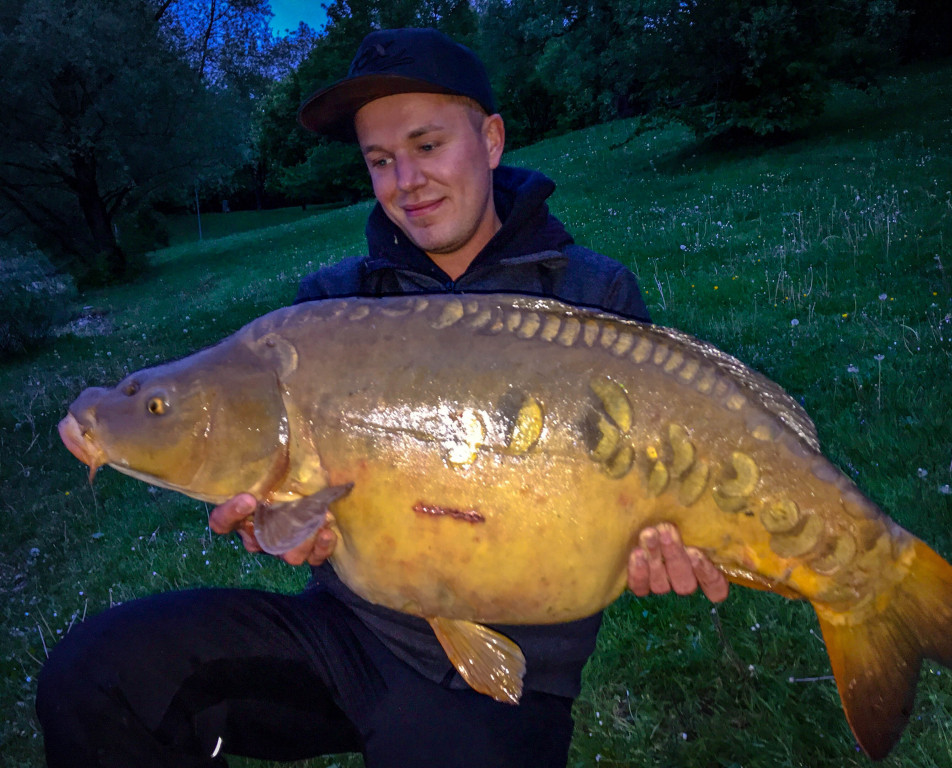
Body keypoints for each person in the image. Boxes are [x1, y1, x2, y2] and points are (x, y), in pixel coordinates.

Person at [36, 28, 727, 768]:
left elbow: (652, 479)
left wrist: (664, 540)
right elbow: (303, 513)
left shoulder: (592, 298)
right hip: (347, 639)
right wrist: (288, 524)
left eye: (428, 146)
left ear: (491, 139)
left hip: (507, 678)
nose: (407, 181)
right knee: (94, 678)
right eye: (380, 160)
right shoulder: (328, 309)